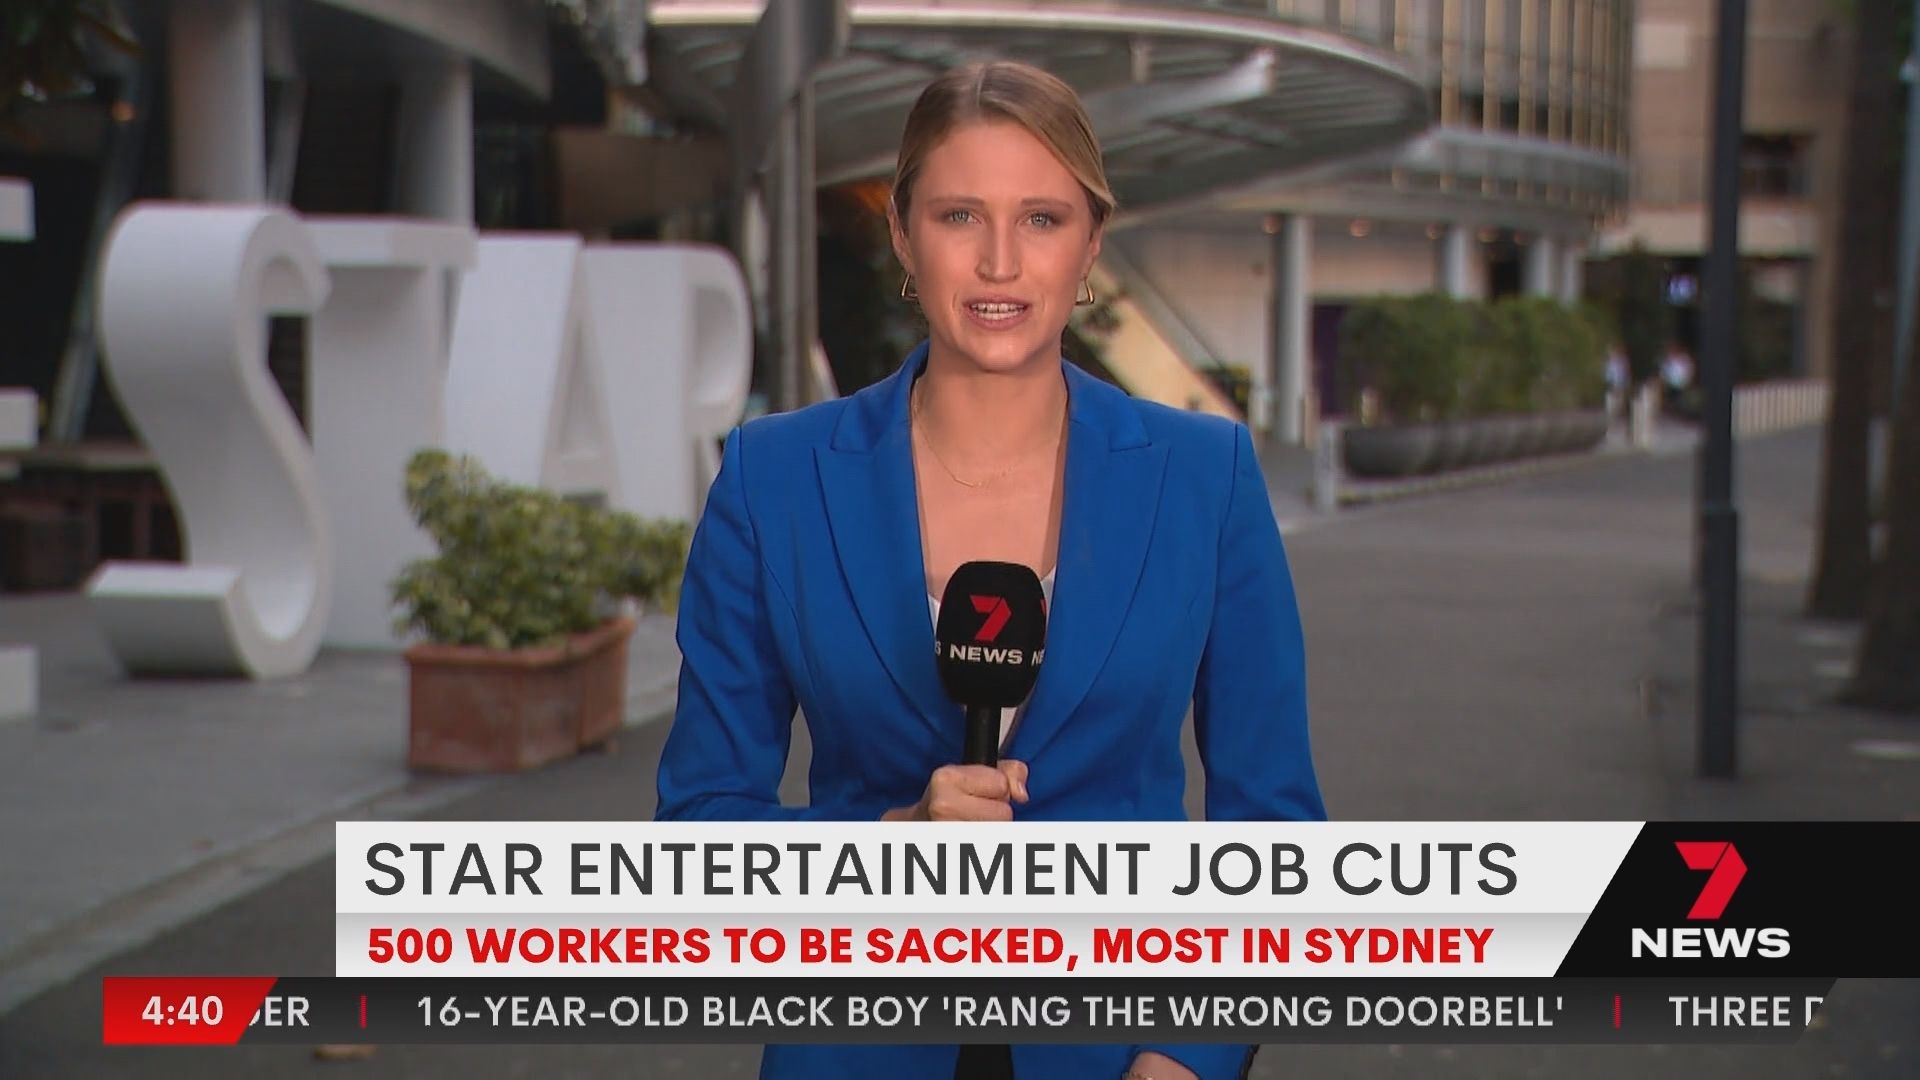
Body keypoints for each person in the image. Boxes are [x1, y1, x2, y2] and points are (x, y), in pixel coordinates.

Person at [655, 59, 1324, 1080]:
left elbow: (1273, 830)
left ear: (1091, 244)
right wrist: (885, 847)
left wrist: (1186, 1055)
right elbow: (698, 832)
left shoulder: (1205, 476)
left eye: (1042, 219)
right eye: (961, 215)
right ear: (902, 234)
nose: (1001, 261)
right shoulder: (772, 479)